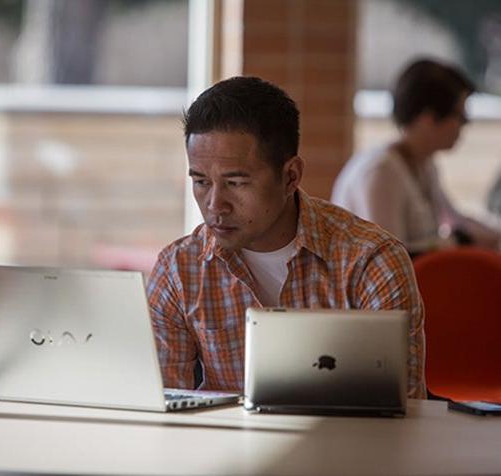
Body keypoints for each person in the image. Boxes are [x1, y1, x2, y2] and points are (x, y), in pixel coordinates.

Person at [147, 76, 426, 399]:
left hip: (346, 447)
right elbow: (162, 407)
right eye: (201, 182)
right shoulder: (179, 270)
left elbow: (403, 412)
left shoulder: (371, 262)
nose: (214, 204)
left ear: (290, 176)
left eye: (236, 183)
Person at [332, 58, 501, 256]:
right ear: (428, 118)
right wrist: (456, 242)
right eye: (461, 117)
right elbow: (388, 256)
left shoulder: (423, 163)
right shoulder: (381, 171)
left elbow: (454, 219)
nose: (464, 125)